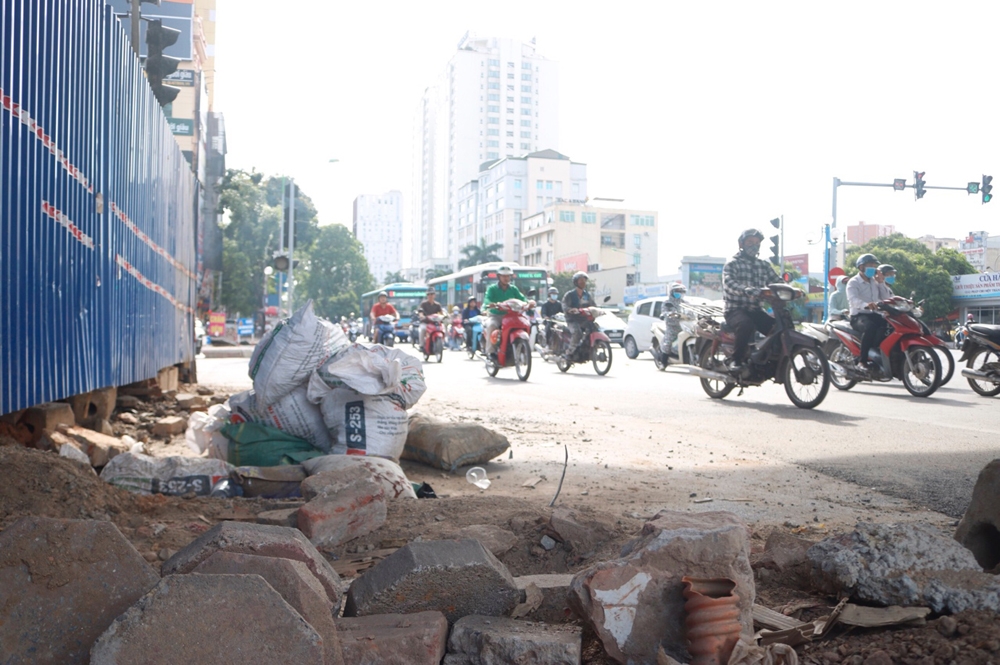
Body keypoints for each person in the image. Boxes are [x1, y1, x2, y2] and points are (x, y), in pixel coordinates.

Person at [722, 229, 780, 373]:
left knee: (778, 328)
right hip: (735, 310)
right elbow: (729, 283)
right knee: (745, 324)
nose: (753, 246)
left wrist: (791, 291)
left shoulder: (763, 265)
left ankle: (770, 361)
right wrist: (745, 289)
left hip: (756, 310)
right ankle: (736, 361)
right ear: (741, 244)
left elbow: (776, 281)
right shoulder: (732, 264)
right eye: (750, 242)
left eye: (756, 243)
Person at [847, 253, 886, 368]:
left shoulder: (874, 281)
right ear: (861, 267)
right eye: (870, 265)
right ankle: (862, 360)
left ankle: (877, 353)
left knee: (890, 325)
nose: (873, 268)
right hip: (858, 316)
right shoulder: (853, 282)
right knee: (870, 327)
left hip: (874, 314)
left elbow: (885, 297)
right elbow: (853, 300)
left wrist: (881, 282)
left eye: (874, 266)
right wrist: (866, 305)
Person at [483, 265, 527, 361]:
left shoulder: (513, 289)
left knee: (525, 324)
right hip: (496, 315)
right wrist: (490, 304)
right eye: (504, 276)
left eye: (508, 276)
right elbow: (487, 299)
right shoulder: (492, 288)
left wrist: (529, 303)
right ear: (499, 277)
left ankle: (524, 348)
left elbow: (522, 299)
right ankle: (491, 353)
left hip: (512, 315)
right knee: (492, 325)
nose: (506, 278)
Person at [561, 271, 596, 359]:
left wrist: (597, 310)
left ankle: (585, 348)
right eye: (580, 280)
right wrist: (570, 310)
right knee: (577, 332)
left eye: (584, 280)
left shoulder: (587, 295)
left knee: (594, 328)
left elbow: (593, 305)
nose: (583, 282)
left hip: (584, 319)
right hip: (572, 320)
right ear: (576, 282)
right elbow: (564, 305)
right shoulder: (569, 295)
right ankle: (569, 352)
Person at [662, 282, 687, 356]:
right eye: (677, 291)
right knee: (667, 344)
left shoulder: (685, 303)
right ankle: (663, 362)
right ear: (672, 292)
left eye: (681, 291)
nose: (679, 293)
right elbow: (664, 312)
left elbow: (691, 312)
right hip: (672, 327)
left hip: (683, 327)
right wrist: (668, 314)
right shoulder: (667, 303)